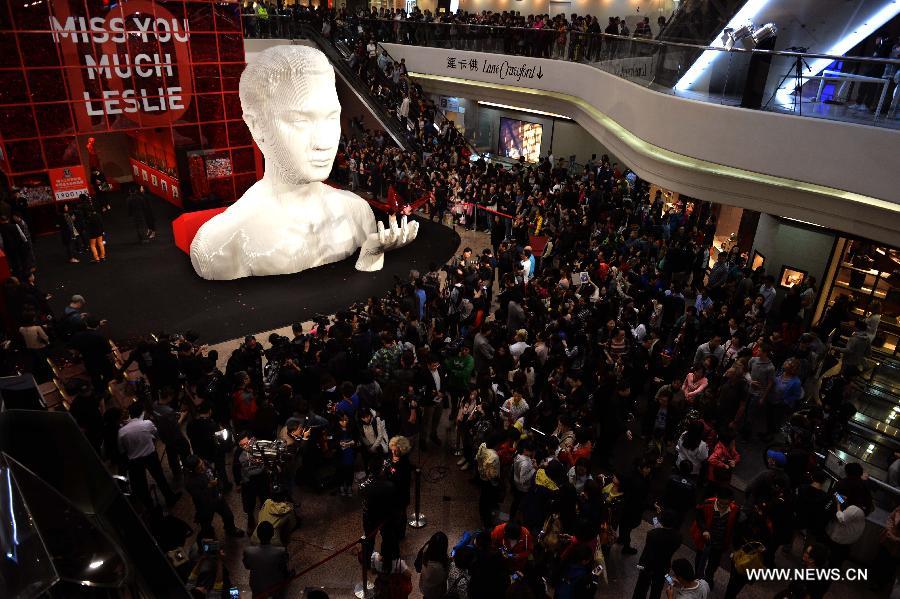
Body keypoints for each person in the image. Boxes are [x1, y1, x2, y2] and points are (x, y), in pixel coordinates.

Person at [190, 45, 417, 279]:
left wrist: (371, 256)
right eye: (300, 121)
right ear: (257, 126)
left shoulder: (356, 212)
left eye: (331, 117)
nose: (324, 141)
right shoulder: (220, 244)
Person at [117, 402, 181, 508]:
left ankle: (150, 506)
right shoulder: (147, 423)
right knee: (160, 478)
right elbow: (156, 435)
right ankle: (170, 498)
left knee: (141, 485)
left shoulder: (122, 431)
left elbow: (122, 449)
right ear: (141, 412)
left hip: (134, 461)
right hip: (150, 455)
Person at [184, 454, 244, 540]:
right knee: (206, 524)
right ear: (192, 470)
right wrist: (209, 486)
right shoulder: (190, 482)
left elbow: (214, 473)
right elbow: (199, 497)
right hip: (205, 505)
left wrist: (219, 486)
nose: (202, 468)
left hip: (218, 497)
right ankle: (210, 538)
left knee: (228, 516)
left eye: (202, 465)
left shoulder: (204, 463)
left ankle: (230, 529)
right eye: (199, 468)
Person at [633, 510, 683, 599]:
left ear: (662, 521)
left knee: (641, 588)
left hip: (648, 565)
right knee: (656, 590)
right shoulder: (678, 537)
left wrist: (640, 565)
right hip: (663, 567)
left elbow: (646, 552)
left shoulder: (652, 534)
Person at [243, 521, 290, 599]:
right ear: (272, 534)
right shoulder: (281, 551)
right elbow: (282, 567)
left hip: (256, 587)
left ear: (257, 534)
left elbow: (247, 566)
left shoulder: (248, 551)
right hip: (274, 587)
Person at [415, 531, 450, 599]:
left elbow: (418, 567)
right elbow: (445, 577)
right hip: (436, 592)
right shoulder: (441, 565)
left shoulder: (425, 550)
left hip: (424, 586)